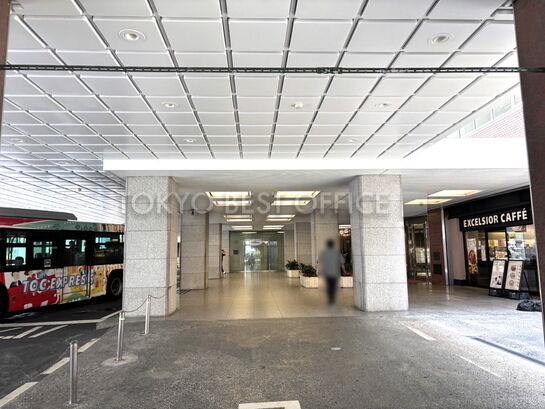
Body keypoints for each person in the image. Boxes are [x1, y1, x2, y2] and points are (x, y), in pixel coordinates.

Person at [317, 239, 345, 305]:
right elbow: (342, 263)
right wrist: (344, 270)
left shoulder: (323, 253)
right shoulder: (337, 253)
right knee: (333, 286)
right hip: (335, 272)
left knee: (329, 285)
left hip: (327, 272)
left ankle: (330, 298)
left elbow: (320, 263)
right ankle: (332, 298)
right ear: (333, 245)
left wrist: (318, 270)